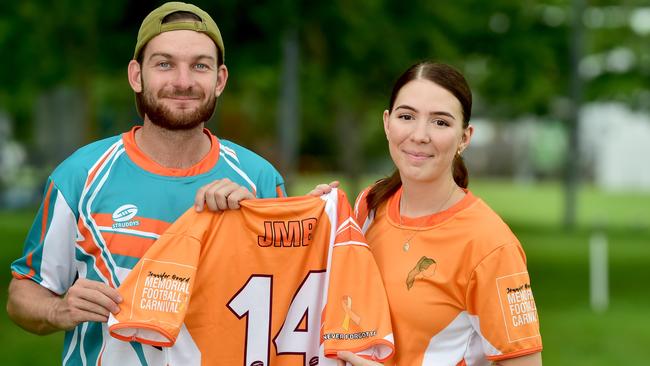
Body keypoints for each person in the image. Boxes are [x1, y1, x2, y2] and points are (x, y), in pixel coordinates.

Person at [7, 2, 285, 364]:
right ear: (137, 75)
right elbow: (22, 293)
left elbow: (293, 301)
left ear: (219, 80)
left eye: (200, 65)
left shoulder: (259, 180)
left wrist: (257, 223)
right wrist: (58, 311)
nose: (182, 82)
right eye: (165, 64)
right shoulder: (81, 175)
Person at [317, 61, 543, 366]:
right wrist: (303, 219)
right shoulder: (369, 206)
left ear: (465, 137)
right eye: (407, 116)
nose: (420, 135)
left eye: (440, 122)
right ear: (387, 123)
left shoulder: (491, 244)